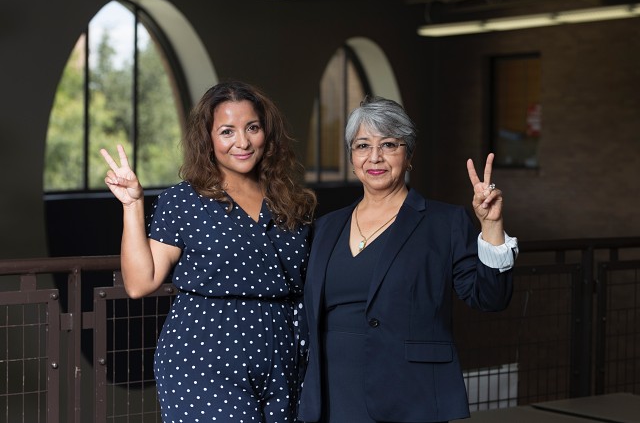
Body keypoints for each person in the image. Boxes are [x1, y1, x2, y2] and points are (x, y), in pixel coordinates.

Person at [100, 80, 317, 423]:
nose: (242, 142)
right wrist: (132, 205)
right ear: (208, 139)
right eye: (227, 131)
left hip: (283, 357)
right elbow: (140, 283)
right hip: (204, 358)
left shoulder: (293, 203)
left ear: (267, 133)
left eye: (252, 128)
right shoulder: (183, 201)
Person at [297, 96, 519, 423]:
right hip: (331, 397)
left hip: (410, 398)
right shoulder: (325, 227)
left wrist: (491, 227)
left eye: (389, 144)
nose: (375, 157)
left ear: (409, 154)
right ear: (351, 156)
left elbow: (490, 298)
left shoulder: (444, 223)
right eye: (362, 146)